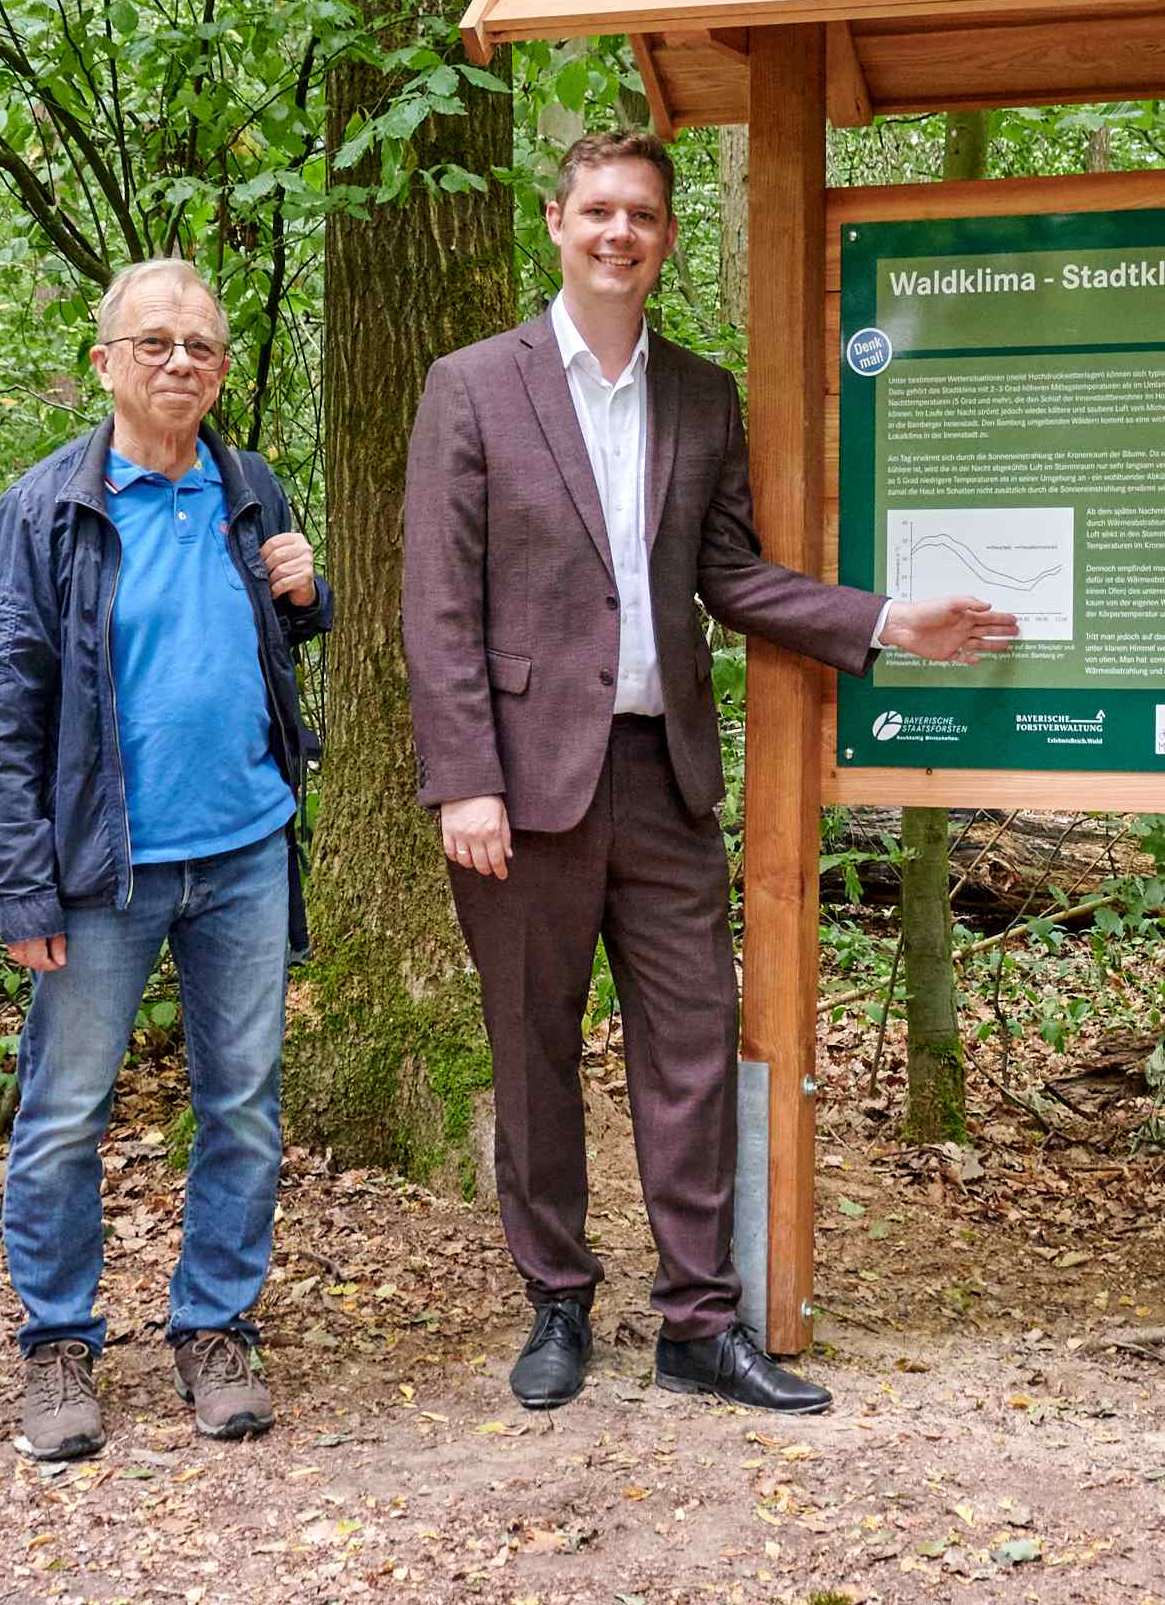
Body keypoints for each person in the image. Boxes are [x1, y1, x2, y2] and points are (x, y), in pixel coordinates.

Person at [404, 130, 1015, 1417]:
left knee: (689, 1049)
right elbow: (439, 606)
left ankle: (697, 1322)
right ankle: (557, 1303)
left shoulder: (699, 392)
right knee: (535, 1053)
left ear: (667, 236)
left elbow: (729, 576)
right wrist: (464, 779)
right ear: (556, 224)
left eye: (642, 215)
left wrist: (888, 622)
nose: (619, 233)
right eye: (597, 213)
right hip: (520, 788)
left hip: (665, 774)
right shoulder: (472, 386)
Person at [0, 259, 331, 1463]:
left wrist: (305, 596)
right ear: (105, 359)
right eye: (157, 342)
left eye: (203, 347)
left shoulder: (248, 482)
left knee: (243, 1105)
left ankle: (215, 1325)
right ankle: (57, 1346)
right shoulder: (45, 508)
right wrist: (21, 882)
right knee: (64, 1111)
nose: (182, 362)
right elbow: (6, 706)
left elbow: (260, 639)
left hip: (245, 847)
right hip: (99, 870)